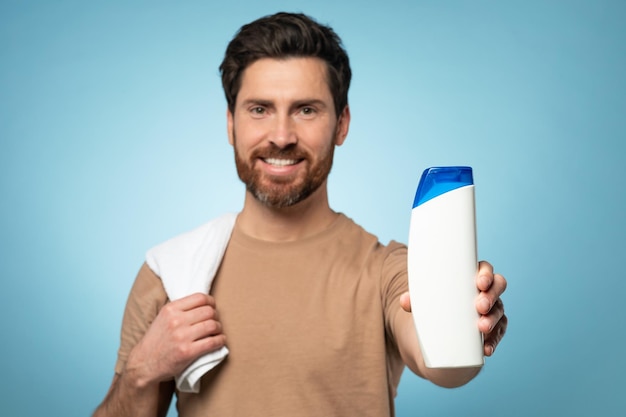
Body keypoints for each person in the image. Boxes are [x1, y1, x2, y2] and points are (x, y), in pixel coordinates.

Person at [93, 12, 508, 417]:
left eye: (306, 110)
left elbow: (445, 365)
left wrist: (465, 320)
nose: (281, 136)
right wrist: (141, 372)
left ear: (341, 124)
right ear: (230, 124)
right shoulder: (171, 273)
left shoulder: (386, 271)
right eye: (259, 109)